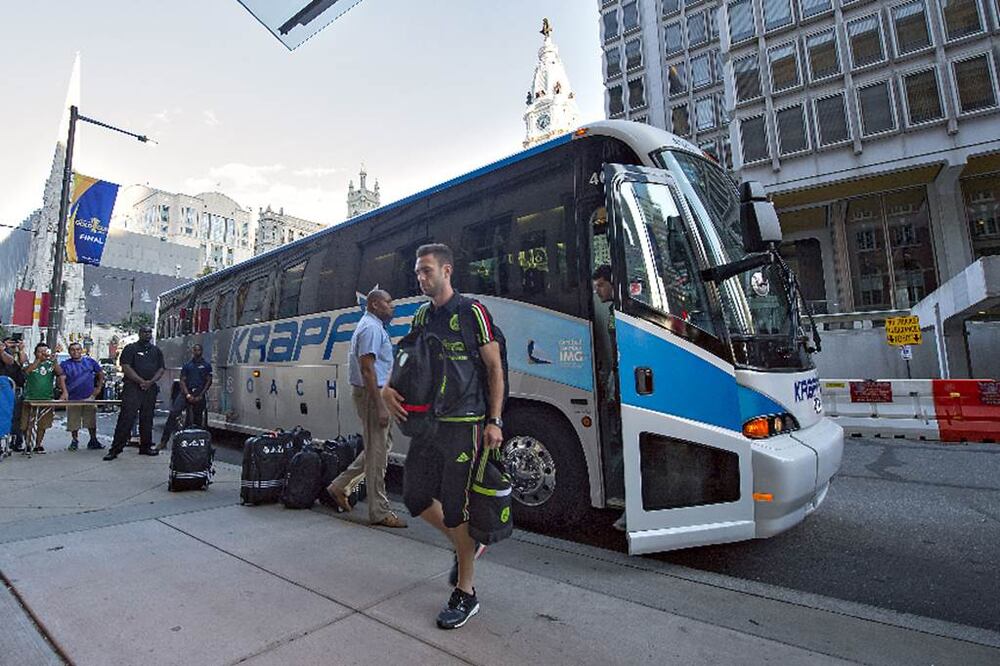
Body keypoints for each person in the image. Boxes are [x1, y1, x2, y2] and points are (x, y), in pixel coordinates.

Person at [383, 243, 504, 631]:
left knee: (457, 509)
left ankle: (466, 594)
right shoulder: (421, 315)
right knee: (416, 497)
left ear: (447, 271)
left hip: (466, 424)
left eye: (428, 271)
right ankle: (464, 544)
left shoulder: (472, 313)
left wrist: (495, 421)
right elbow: (406, 358)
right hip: (429, 425)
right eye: (418, 272)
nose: (421, 278)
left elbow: (494, 369)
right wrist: (387, 389)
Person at [326, 289, 407, 528]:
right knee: (378, 454)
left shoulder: (372, 326)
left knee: (378, 447)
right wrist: (380, 404)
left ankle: (340, 485)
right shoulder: (371, 328)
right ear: (374, 304)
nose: (392, 307)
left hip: (375, 394)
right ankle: (379, 511)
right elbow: (367, 369)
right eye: (388, 302)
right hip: (373, 395)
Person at [105, 326, 164, 460]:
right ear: (139, 333)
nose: (147, 334)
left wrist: (150, 382)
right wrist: (140, 381)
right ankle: (115, 449)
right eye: (145, 332)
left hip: (150, 389)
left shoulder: (156, 351)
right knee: (126, 418)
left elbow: (161, 369)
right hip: (132, 388)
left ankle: (145, 447)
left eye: (150, 332)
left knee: (147, 419)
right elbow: (126, 366)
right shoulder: (130, 348)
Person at [158, 344, 213, 450]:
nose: (197, 352)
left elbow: (208, 381)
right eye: (195, 350)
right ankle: (163, 442)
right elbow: (182, 380)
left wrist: (201, 395)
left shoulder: (206, 366)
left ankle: (197, 446)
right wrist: (187, 394)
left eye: (199, 350)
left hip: (199, 395)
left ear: (201, 351)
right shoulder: (187, 365)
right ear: (192, 351)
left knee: (198, 421)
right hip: (185, 394)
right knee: (173, 414)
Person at [21, 342, 67, 454]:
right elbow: (27, 371)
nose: (43, 354)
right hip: (30, 398)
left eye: (45, 351)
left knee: (43, 424)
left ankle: (38, 445)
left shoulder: (50, 364)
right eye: (40, 351)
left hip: (46, 398)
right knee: (27, 424)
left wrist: (54, 359)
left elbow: (60, 372)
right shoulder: (30, 363)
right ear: (35, 353)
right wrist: (39, 359)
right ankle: (27, 444)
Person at [60, 342, 105, 450]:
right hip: (73, 398)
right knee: (73, 422)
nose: (75, 352)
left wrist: (98, 389)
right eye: (73, 350)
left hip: (89, 397)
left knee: (91, 420)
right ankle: (75, 440)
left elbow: (100, 374)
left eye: (77, 349)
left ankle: (93, 440)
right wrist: (65, 392)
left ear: (81, 350)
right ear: (69, 352)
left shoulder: (90, 362)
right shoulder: (65, 364)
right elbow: (61, 379)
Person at [0, 336, 27, 451]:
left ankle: (16, 441)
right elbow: (8, 361)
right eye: (9, 342)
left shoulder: (19, 353)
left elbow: (23, 363)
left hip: (15, 388)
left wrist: (20, 350)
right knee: (4, 416)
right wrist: (2, 349)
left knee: (16, 417)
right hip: (4, 389)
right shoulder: (3, 352)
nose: (12, 344)